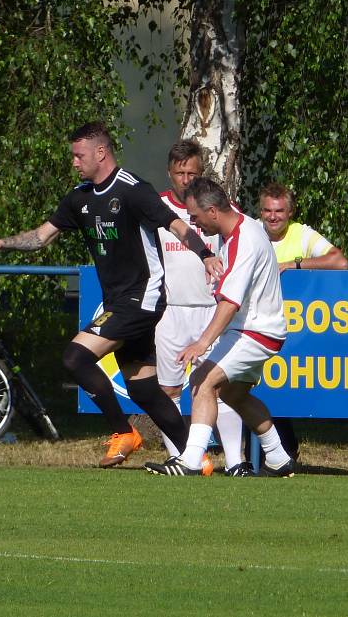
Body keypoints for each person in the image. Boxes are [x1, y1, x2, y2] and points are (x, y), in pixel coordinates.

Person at [0, 121, 222, 472]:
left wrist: (205, 254)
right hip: (120, 301)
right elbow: (42, 237)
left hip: (142, 298)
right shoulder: (79, 197)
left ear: (101, 153)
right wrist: (0, 243)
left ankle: (124, 433)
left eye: (79, 155)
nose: (74, 162)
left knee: (75, 358)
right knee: (144, 390)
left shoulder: (133, 190)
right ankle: (199, 460)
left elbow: (176, 226)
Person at [144, 177, 295, 477]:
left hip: (254, 331)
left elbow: (230, 303)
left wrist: (201, 343)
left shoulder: (243, 240)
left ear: (213, 211)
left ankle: (189, 462)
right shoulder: (244, 229)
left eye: (197, 217)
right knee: (233, 395)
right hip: (261, 330)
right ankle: (279, 458)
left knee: (202, 381)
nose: (196, 226)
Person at [156, 140, 251, 476]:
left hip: (212, 309)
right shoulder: (157, 208)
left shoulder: (220, 210)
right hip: (171, 310)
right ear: (169, 173)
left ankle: (236, 462)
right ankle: (182, 457)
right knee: (168, 390)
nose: (185, 179)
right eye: (179, 173)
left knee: (217, 386)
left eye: (191, 173)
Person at [258, 181, 348, 460]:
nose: (273, 217)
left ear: (290, 211)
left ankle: (285, 449)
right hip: (252, 324)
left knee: (279, 388)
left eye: (279, 211)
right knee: (251, 388)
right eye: (267, 211)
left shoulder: (302, 234)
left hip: (294, 330)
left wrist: (294, 265)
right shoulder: (250, 231)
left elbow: (340, 262)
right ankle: (255, 454)